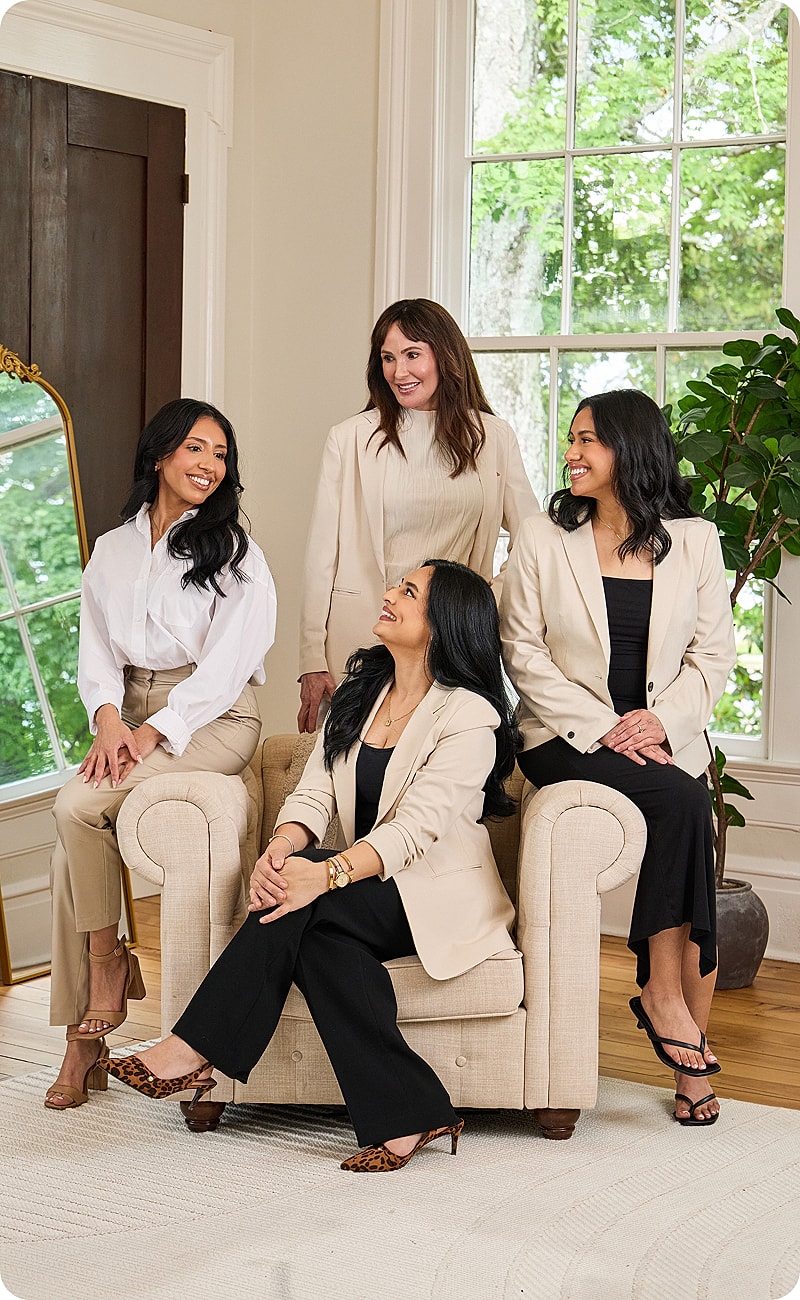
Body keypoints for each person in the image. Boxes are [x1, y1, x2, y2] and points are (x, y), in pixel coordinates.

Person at [99, 559, 519, 1172]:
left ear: (443, 623)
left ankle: (195, 1048)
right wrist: (283, 847)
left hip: (435, 895)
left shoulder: (470, 716)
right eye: (396, 585)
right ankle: (412, 1113)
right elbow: (315, 791)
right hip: (363, 888)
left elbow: (416, 829)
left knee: (308, 900)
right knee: (320, 940)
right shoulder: (360, 697)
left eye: (409, 592)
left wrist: (321, 874)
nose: (387, 595)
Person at [499, 389, 736, 1128]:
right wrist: (607, 727)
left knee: (687, 809)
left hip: (664, 740)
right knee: (685, 803)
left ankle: (679, 1030)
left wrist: (658, 722)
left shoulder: (694, 540)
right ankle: (668, 1008)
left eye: (590, 440)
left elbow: (714, 655)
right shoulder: (544, 539)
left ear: (632, 450)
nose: (573, 452)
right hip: (564, 740)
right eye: (571, 439)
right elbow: (522, 652)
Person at [45, 398, 277, 1111]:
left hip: (211, 717)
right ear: (159, 455)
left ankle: (106, 973)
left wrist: (154, 730)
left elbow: (230, 666)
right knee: (68, 843)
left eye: (221, 454)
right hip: (129, 711)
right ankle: (84, 1039)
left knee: (76, 805)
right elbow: (94, 646)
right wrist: (109, 718)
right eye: (197, 449)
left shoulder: (233, 549)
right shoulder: (113, 548)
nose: (211, 465)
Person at [297, 297, 539, 731]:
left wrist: (486, 597)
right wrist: (311, 657)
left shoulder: (493, 437)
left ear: (445, 356)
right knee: (356, 766)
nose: (399, 372)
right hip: (364, 632)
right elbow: (321, 556)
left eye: (412, 355)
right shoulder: (350, 438)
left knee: (449, 761)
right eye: (388, 358)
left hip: (453, 638)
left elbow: (533, 538)